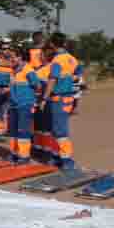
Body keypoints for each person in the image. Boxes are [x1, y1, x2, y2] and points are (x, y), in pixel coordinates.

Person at [41, 32, 79, 170]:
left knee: (60, 130)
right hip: (69, 96)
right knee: (57, 128)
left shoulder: (57, 61)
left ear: (52, 44)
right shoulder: (71, 58)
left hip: (59, 97)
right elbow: (76, 75)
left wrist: (44, 97)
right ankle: (57, 156)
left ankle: (67, 160)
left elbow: (52, 80)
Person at [7, 48, 41, 165]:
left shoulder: (28, 70)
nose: (11, 59)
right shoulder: (13, 71)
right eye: (10, 57)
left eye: (13, 57)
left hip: (25, 105)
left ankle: (24, 156)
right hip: (13, 105)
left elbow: (37, 86)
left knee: (23, 131)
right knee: (12, 131)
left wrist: (32, 100)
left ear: (20, 57)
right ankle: (13, 153)